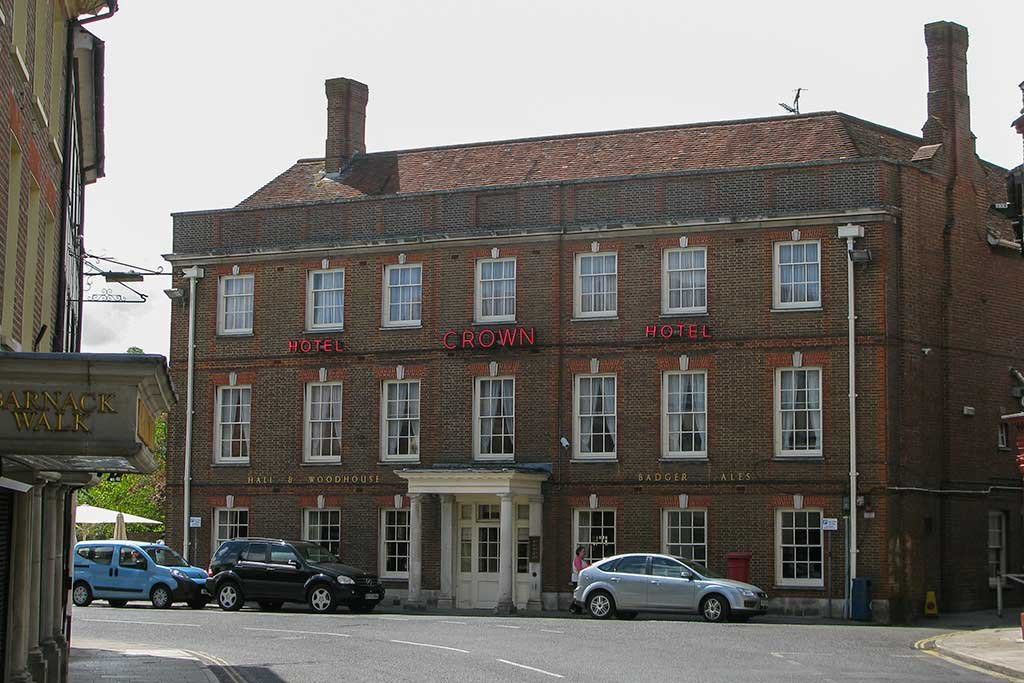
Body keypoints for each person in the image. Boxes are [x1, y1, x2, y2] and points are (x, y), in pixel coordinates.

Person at [568, 546, 590, 613]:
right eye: (583, 552)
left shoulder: (582, 561)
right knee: (577, 595)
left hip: (580, 579)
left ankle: (578, 610)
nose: (584, 553)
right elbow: (579, 569)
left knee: (579, 594)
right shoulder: (577, 560)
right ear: (579, 552)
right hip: (577, 579)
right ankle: (572, 608)